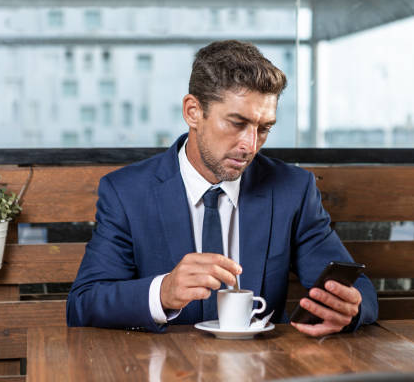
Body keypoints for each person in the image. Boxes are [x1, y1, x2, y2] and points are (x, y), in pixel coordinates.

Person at [66, 40, 378, 336]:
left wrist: (349, 308)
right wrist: (164, 291)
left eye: (264, 128)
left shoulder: (292, 189)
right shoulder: (127, 193)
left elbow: (356, 289)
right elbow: (83, 303)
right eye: (236, 123)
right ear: (193, 112)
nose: (250, 145)